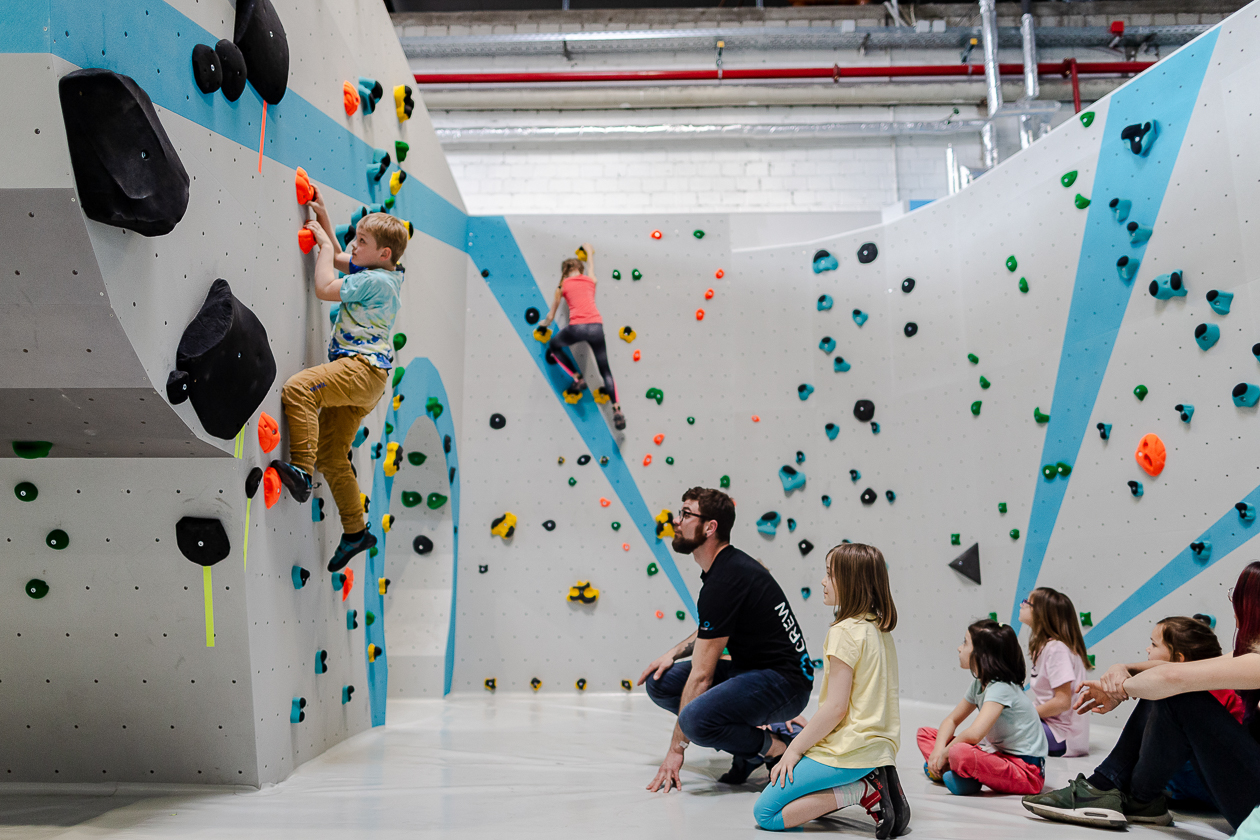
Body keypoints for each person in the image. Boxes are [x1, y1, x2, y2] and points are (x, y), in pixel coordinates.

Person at [1022, 561, 1260, 830]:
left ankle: (1119, 791)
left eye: (1236, 596)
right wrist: (1122, 669)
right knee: (1170, 689)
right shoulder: (1249, 657)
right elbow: (1173, 670)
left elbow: (1172, 677)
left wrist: (1120, 690)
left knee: (1176, 694)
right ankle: (1121, 792)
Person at [639, 487, 814, 792]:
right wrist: (673, 653)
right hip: (752, 671)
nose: (676, 522)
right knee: (660, 681)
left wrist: (675, 750)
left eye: (686, 514)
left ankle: (776, 747)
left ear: (710, 527)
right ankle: (749, 750)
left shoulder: (725, 578)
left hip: (786, 683)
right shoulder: (726, 569)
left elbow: (703, 675)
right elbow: (713, 628)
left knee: (694, 720)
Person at [273, 187, 408, 572]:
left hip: (359, 369)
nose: (353, 245)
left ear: (383, 253)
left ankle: (300, 471)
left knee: (299, 389)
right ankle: (356, 531)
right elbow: (346, 257)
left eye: (361, 241)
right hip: (370, 381)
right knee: (333, 456)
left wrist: (324, 252)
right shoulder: (386, 275)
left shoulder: (373, 282)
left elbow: (324, 287)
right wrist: (326, 222)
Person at [752, 544, 911, 837]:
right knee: (796, 798)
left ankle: (862, 790)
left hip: (849, 751)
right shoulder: (878, 627)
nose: (823, 582)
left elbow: (836, 709)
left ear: (851, 583)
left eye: (829, 574)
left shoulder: (843, 632)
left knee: (766, 813)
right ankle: (871, 780)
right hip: (881, 749)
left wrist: (795, 749)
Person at [918, 619, 1048, 796]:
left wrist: (945, 754)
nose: (959, 648)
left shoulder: (1001, 687)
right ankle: (957, 773)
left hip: (1025, 771)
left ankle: (954, 772)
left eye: (965, 643)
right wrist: (939, 751)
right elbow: (951, 720)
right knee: (925, 734)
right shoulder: (979, 684)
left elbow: (974, 734)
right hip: (997, 756)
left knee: (959, 751)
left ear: (981, 655)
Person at [538, 244, 625, 430]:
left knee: (554, 345)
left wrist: (543, 325)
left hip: (577, 328)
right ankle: (617, 410)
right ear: (580, 269)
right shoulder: (590, 280)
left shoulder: (562, 286)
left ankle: (578, 378)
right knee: (605, 371)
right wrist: (589, 253)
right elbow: (591, 268)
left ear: (565, 271)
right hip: (596, 327)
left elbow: (550, 317)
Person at [1020, 587, 1092, 757]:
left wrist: (1023, 715)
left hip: (1061, 735)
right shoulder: (1048, 647)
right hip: (1050, 726)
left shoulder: (1056, 649)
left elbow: (1062, 702)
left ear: (1041, 614)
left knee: (998, 725)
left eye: (1027, 602)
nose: (1022, 605)